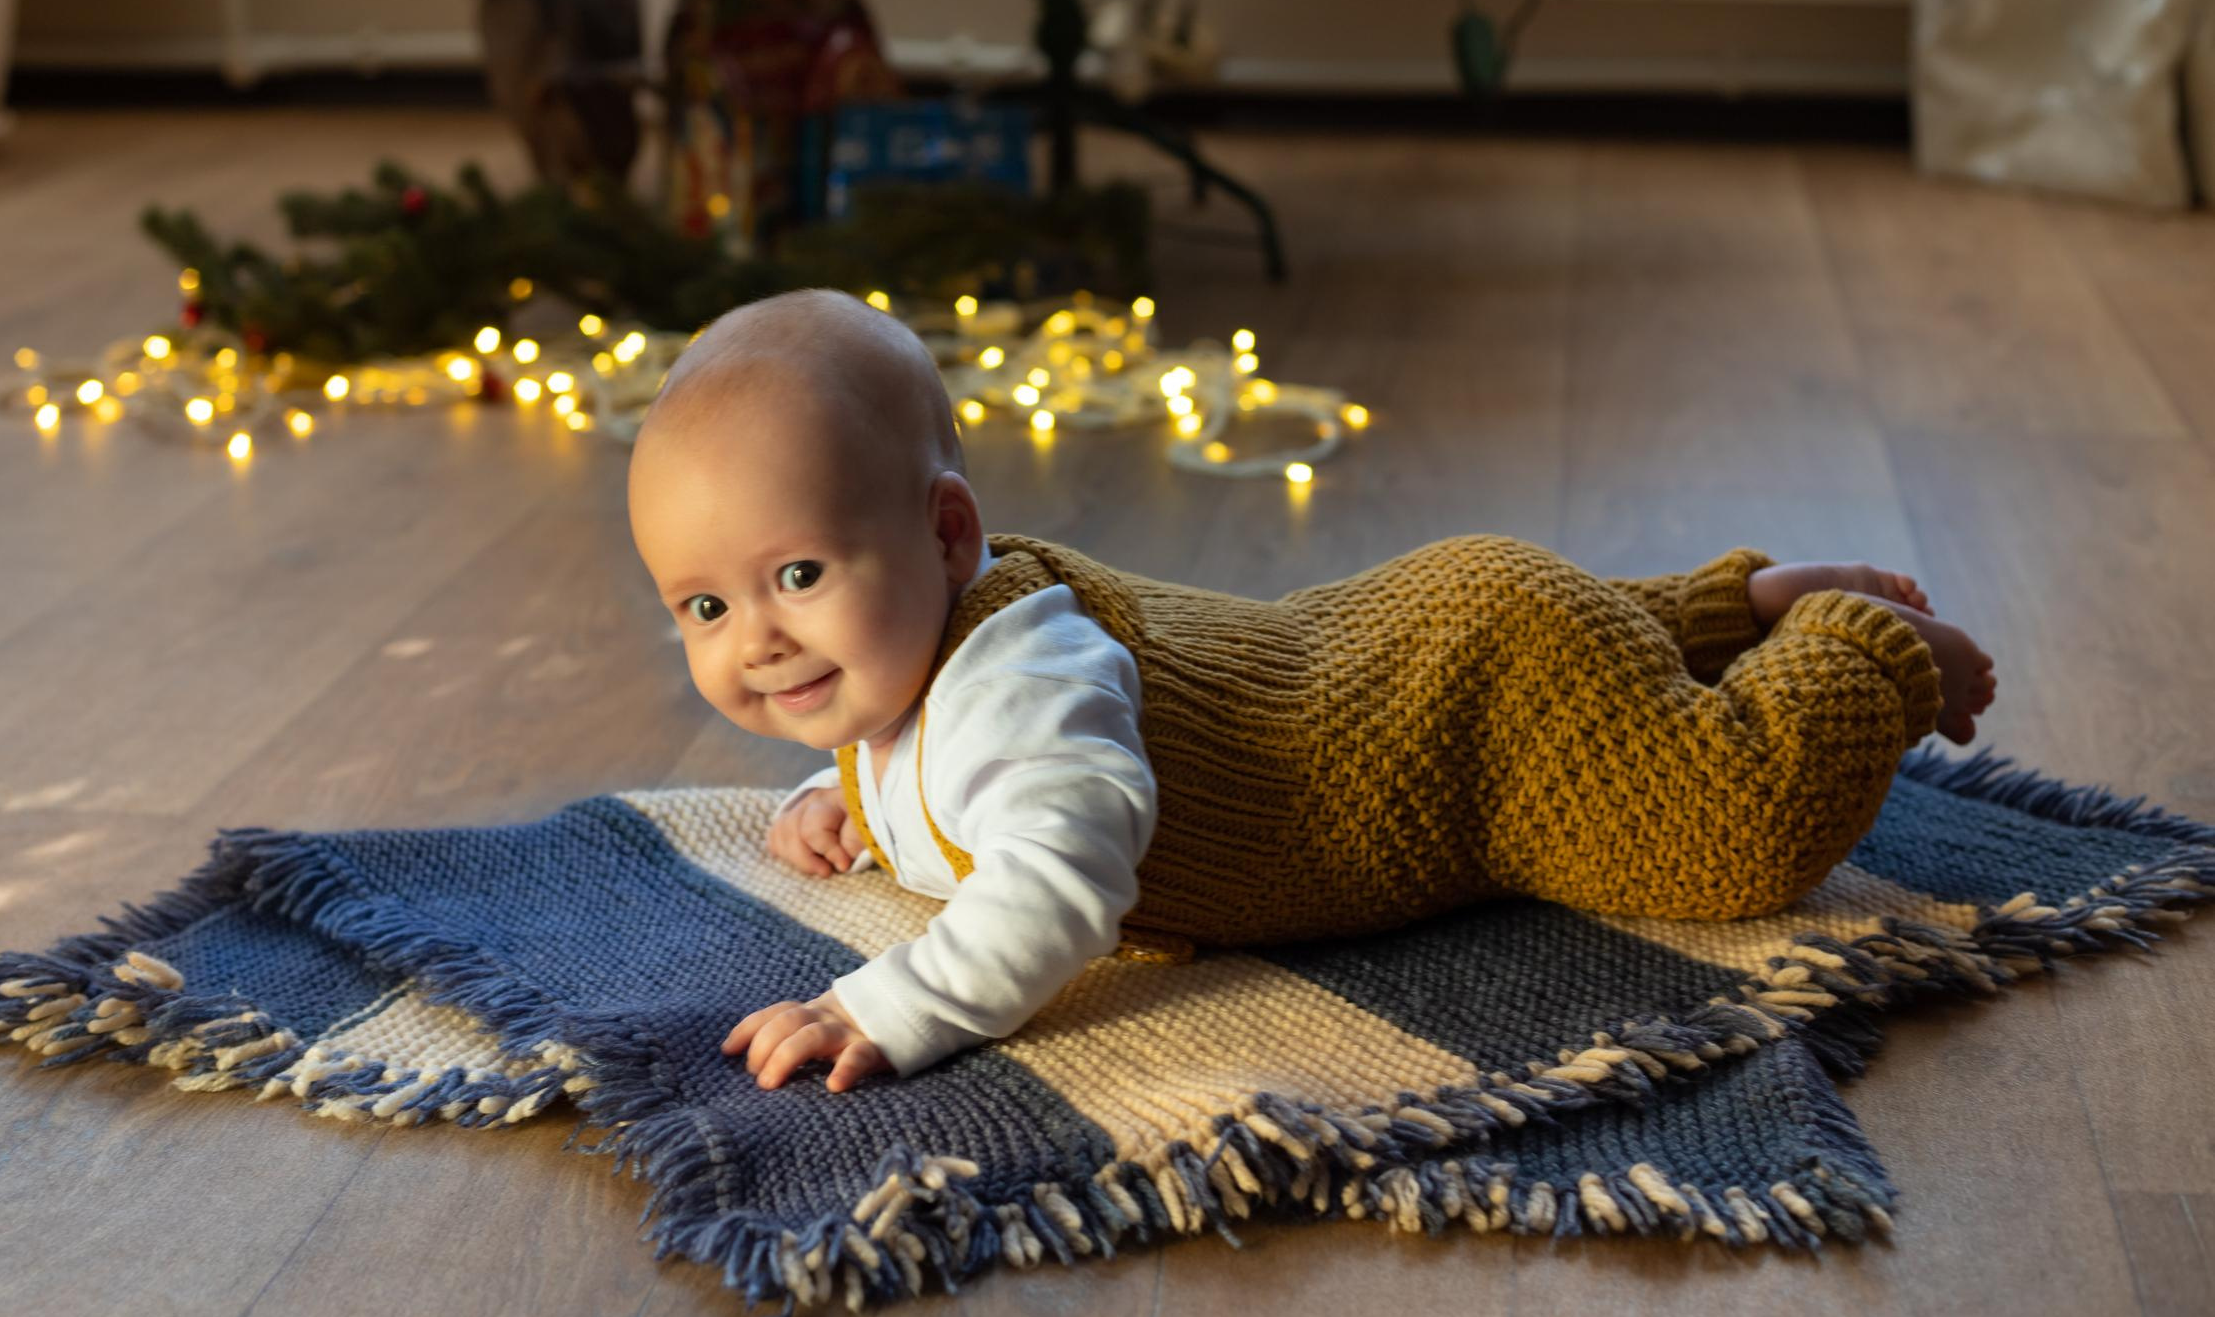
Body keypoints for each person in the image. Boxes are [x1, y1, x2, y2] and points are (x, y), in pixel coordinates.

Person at [624, 289, 1999, 1092]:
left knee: (1725, 830)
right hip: (1409, 641)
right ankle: (1718, 609)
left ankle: (1850, 648)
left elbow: (1056, 885)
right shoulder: (904, 660)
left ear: (944, 538)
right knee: (1595, 655)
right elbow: (911, 745)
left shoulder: (1023, 681)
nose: (754, 639)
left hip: (1460, 736)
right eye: (703, 606)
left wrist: (884, 1004)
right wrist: (838, 788)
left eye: (796, 574)